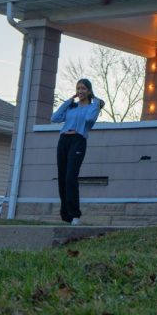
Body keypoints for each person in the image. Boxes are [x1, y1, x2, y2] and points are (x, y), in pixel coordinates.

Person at [51, 79, 103, 225]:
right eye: (78, 88)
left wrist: (96, 102)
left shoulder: (92, 108)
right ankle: (66, 215)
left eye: (83, 89)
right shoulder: (71, 107)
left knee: (70, 177)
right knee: (62, 178)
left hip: (78, 141)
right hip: (63, 141)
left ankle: (75, 215)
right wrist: (68, 101)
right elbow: (54, 118)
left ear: (89, 91)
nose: (80, 91)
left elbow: (89, 118)